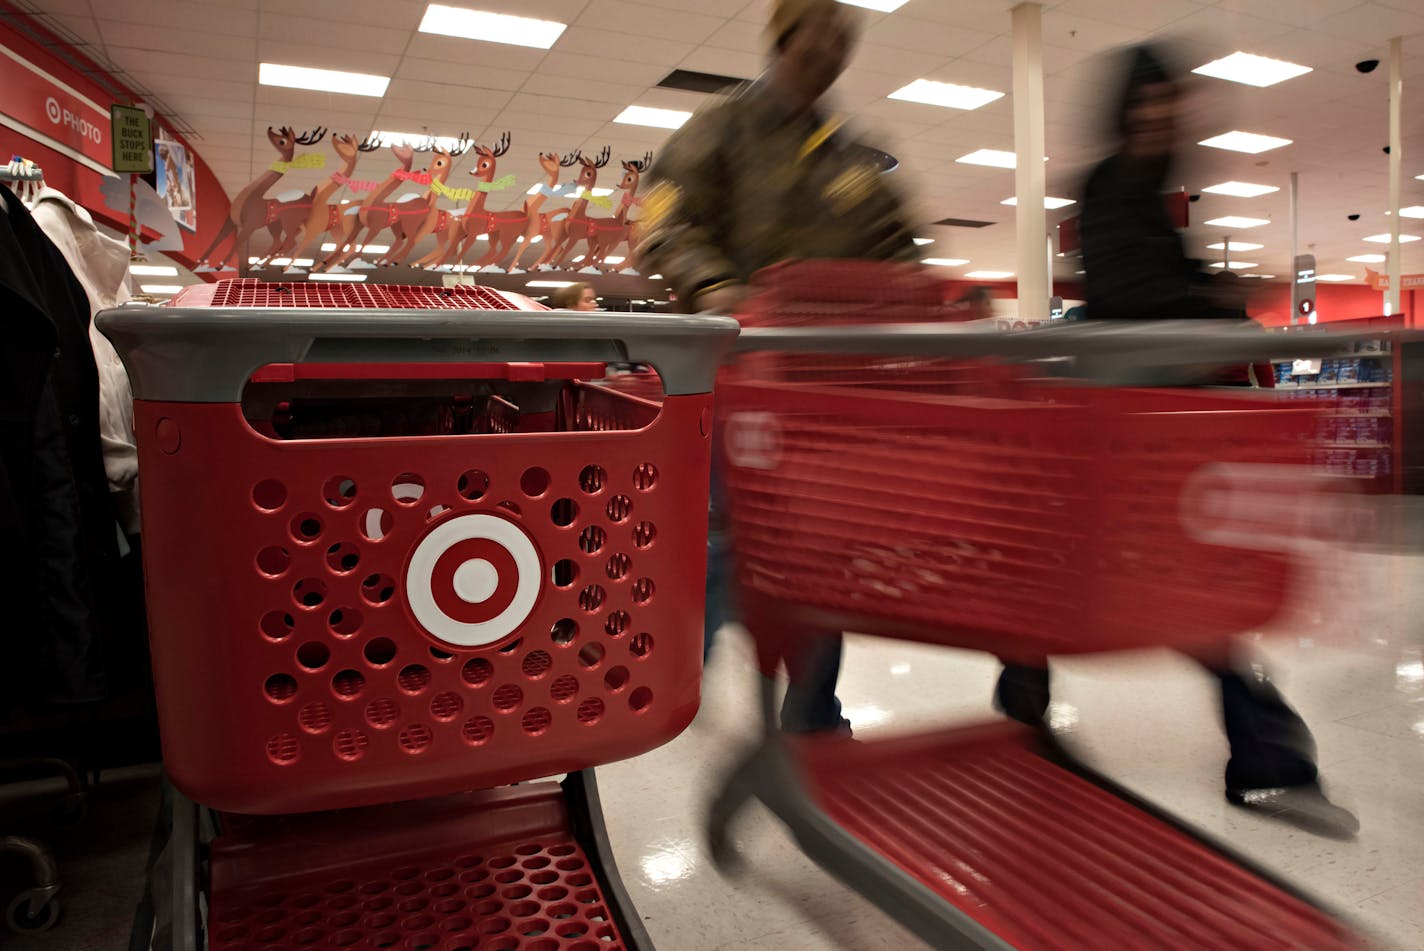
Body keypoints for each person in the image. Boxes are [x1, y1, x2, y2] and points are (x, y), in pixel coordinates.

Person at [994, 43, 1358, 839]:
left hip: (1145, 436)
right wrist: (1217, 303)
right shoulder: (1110, 190)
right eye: (1147, 105)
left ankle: (1262, 755)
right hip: (1119, 438)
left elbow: (1160, 298)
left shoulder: (1150, 194)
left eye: (1169, 104)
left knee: (1173, 591)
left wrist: (1211, 302)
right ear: (1126, 113)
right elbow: (1132, 299)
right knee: (1154, 588)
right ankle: (1261, 755)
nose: (1160, 117)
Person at [636, 0, 918, 734]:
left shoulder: (848, 159)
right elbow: (663, 218)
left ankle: (814, 710)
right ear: (783, 39)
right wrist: (718, 290)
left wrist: (922, 295)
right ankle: (665, 668)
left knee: (819, 551)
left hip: (820, 395)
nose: (829, 54)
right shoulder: (721, 128)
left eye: (840, 44)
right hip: (732, 382)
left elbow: (895, 246)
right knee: (726, 543)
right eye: (815, 39)